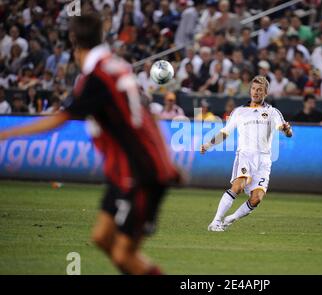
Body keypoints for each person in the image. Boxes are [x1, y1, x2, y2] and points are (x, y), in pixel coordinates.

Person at [0, 14, 180, 275]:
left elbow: (62, 118)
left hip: (140, 172)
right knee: (101, 238)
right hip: (125, 172)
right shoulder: (117, 65)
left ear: (74, 42)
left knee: (122, 253)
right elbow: (145, 116)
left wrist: (6, 134)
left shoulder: (97, 77)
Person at [200, 76, 292, 231]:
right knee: (238, 186)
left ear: (266, 93)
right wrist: (209, 144)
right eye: (254, 89)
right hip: (245, 155)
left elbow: (285, 130)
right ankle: (215, 222)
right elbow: (225, 132)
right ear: (250, 90)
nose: (256, 93)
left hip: (264, 160)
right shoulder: (239, 112)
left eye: (259, 90)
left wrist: (287, 129)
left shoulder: (272, 112)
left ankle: (231, 218)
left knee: (256, 199)